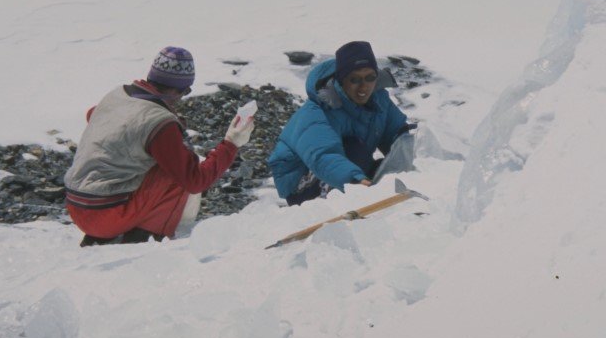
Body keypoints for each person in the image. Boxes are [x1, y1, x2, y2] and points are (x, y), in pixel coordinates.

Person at [64, 46, 255, 246]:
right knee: (178, 171)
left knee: (157, 161)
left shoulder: (116, 96)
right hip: (107, 216)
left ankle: (112, 233)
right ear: (177, 89)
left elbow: (92, 115)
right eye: (185, 91)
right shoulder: (159, 122)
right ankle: (146, 238)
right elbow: (194, 181)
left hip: (77, 207)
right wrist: (231, 144)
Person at [269, 40, 410, 205]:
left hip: (349, 167)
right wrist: (354, 180)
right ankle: (334, 200)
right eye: (355, 79)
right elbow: (324, 155)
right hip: (302, 183)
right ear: (341, 80)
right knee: (354, 150)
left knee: (387, 167)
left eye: (370, 77)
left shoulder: (379, 100)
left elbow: (398, 133)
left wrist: (412, 152)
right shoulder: (319, 109)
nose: (364, 87)